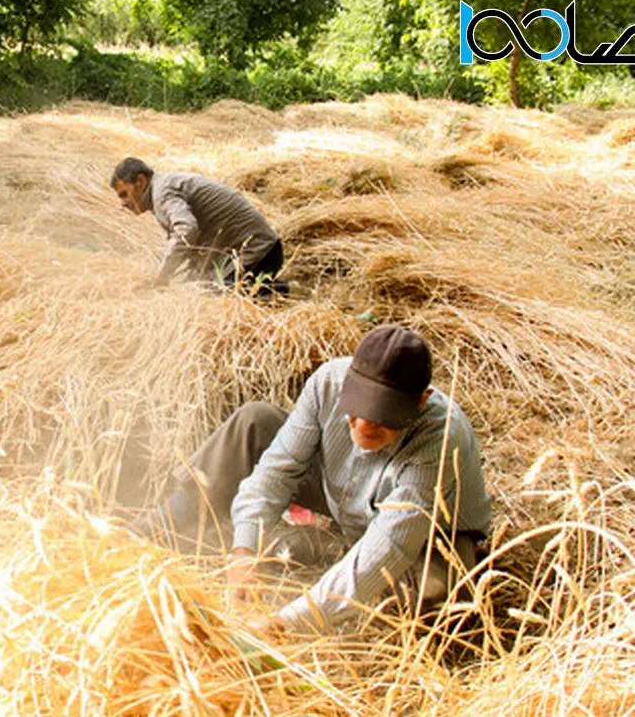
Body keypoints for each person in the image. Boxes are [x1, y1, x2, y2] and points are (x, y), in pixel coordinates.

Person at [135, 325, 492, 635]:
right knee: (255, 422)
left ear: (420, 402)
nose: (364, 424)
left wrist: (286, 621)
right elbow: (277, 470)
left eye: (383, 414)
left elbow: (388, 549)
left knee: (434, 596)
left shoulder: (441, 438)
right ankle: (154, 527)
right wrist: (244, 551)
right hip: (339, 491)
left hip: (428, 533)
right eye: (359, 406)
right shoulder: (328, 382)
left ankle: (326, 554)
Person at [110, 157, 286, 295]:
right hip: (262, 250)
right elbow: (191, 246)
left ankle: (283, 292)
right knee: (199, 288)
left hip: (257, 253)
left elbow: (187, 230)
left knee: (215, 300)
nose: (123, 203)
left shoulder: (162, 194)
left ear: (140, 181)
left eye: (124, 194)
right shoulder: (164, 188)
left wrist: (162, 277)